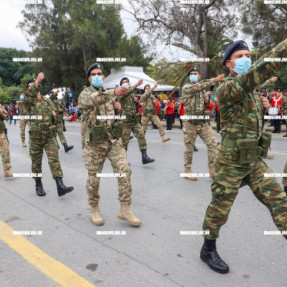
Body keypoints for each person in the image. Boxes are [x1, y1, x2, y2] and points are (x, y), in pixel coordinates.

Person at [201, 39, 287, 274]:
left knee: (279, 200)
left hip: (252, 161)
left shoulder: (252, 92)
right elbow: (261, 70)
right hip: (230, 162)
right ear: (228, 64)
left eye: (248, 55)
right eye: (240, 56)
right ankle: (208, 249)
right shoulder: (227, 88)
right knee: (220, 210)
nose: (246, 59)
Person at [78, 63, 141, 227]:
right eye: (93, 74)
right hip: (94, 144)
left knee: (124, 170)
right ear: (89, 78)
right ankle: (94, 208)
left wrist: (117, 109)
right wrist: (114, 93)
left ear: (104, 77)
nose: (97, 76)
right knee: (94, 178)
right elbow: (94, 100)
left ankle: (125, 209)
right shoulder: (85, 94)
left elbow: (111, 116)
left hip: (113, 141)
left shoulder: (111, 96)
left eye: (100, 73)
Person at [23, 74, 74, 197]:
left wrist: (54, 115)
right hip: (35, 138)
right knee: (36, 163)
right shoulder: (27, 101)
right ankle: (38, 184)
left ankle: (60, 185)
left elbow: (53, 116)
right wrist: (38, 80)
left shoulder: (47, 101)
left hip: (49, 137)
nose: (33, 88)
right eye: (30, 87)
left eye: (35, 85)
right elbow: (28, 98)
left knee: (54, 160)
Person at [181, 67, 225, 181]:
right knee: (189, 147)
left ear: (199, 76)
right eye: (191, 74)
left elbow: (206, 105)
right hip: (190, 122)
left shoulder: (203, 92)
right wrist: (214, 80)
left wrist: (206, 102)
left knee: (213, 144)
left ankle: (212, 169)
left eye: (195, 73)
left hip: (202, 122)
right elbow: (197, 87)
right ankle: (187, 170)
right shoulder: (187, 87)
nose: (193, 75)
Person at [119, 77, 155, 165]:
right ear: (120, 85)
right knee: (125, 141)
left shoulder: (132, 94)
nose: (125, 83)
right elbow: (126, 93)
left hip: (134, 120)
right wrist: (137, 84)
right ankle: (123, 160)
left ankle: (144, 157)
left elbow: (135, 106)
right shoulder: (121, 92)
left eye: (127, 82)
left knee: (141, 135)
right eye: (123, 82)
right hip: (125, 121)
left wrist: (136, 101)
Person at [0, 104, 13, 178]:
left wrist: (1, 113)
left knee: (5, 151)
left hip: (1, 133)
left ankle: (7, 170)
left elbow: (7, 117)